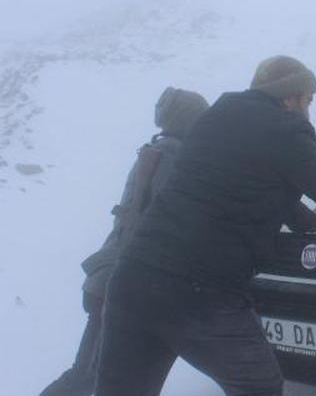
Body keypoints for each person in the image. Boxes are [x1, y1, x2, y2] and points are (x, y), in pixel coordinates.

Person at [94, 56, 316, 396]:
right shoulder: (286, 129)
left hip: (133, 279)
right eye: (309, 100)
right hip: (200, 293)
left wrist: (311, 221)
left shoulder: (216, 118)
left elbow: (247, 184)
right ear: (292, 97)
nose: (308, 110)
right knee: (260, 386)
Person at [39, 87, 210, 396]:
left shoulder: (156, 150)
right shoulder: (173, 157)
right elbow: (157, 223)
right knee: (89, 375)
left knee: (102, 374)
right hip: (123, 281)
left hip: (114, 276)